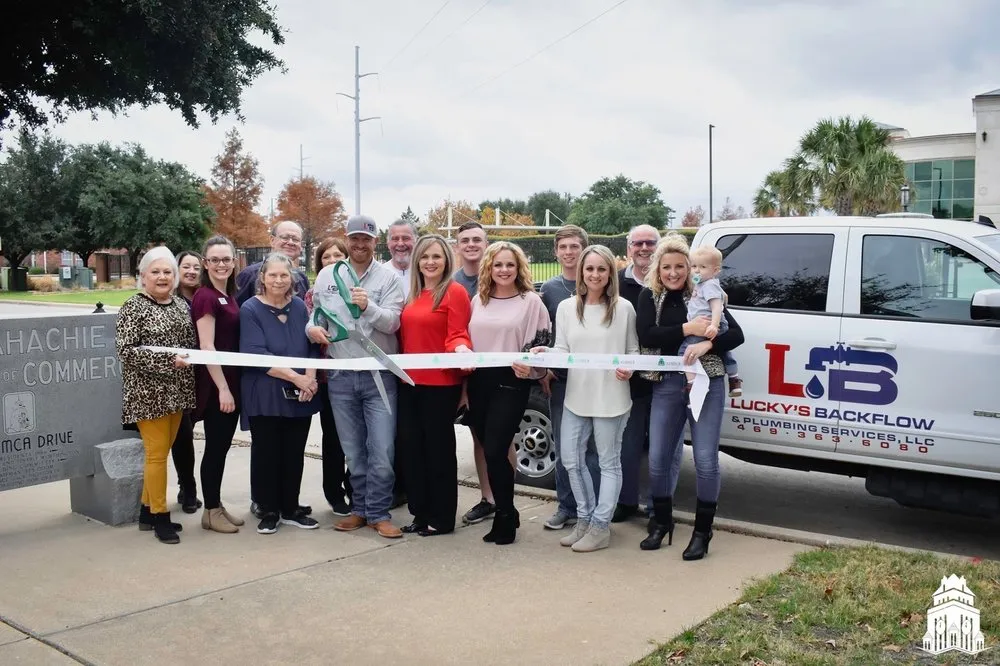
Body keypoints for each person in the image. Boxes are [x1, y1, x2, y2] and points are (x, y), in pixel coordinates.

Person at [636, 233, 744, 559]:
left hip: (706, 382)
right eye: (666, 267)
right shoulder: (648, 297)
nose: (673, 273)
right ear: (658, 268)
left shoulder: (703, 293)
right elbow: (647, 334)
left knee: (706, 460)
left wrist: (708, 342)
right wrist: (687, 331)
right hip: (667, 383)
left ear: (691, 267)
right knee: (657, 459)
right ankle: (661, 522)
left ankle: (702, 531)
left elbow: (735, 333)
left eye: (680, 266)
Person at [307, 215, 406, 539]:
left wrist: (369, 307)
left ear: (375, 242)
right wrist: (312, 329)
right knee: (353, 451)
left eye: (366, 239)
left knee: (383, 451)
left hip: (379, 376)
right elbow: (316, 314)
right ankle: (360, 510)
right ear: (347, 240)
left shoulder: (389, 278)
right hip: (340, 374)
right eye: (354, 238)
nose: (360, 244)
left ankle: (379, 512)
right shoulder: (326, 275)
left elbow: (393, 323)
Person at [533, 245, 638, 552]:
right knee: (570, 459)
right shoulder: (566, 308)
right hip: (576, 397)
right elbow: (563, 352)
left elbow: (633, 352)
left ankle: (601, 526)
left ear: (610, 273)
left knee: (608, 462)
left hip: (612, 399)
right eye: (589, 269)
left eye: (601, 269)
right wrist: (545, 353)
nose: (595, 275)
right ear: (581, 272)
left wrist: (628, 370)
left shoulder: (624, 308)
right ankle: (584, 518)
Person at [468, 242, 551, 545]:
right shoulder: (478, 300)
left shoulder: (531, 302)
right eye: (498, 265)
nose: (504, 270)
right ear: (489, 268)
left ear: (519, 268)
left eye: (510, 265)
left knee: (495, 450)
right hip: (479, 382)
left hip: (512, 382)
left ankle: (505, 516)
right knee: (484, 445)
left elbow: (542, 350)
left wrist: (532, 369)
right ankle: (507, 509)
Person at [116, 246, 196, 545]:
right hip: (148, 395)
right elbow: (127, 352)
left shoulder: (179, 305)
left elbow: (189, 344)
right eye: (156, 272)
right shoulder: (133, 307)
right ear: (143, 276)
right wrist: (167, 362)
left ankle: (147, 512)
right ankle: (161, 515)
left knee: (161, 454)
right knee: (156, 456)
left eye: (167, 272)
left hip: (178, 393)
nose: (163, 277)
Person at [239, 253, 321, 535]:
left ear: (292, 279)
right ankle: (269, 509)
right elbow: (255, 354)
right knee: (267, 453)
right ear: (262, 278)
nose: (278, 280)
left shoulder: (299, 306)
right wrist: (297, 378)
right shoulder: (250, 309)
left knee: (294, 452)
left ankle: (290, 508)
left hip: (301, 394)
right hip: (265, 393)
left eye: (284, 275)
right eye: (272, 275)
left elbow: (312, 344)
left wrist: (309, 378)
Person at [398, 234, 472, 536]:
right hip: (409, 383)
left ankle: (441, 518)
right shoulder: (413, 295)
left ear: (446, 261)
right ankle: (419, 512)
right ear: (417, 261)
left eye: (436, 257)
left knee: (438, 453)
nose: (430, 262)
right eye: (425, 257)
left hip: (441, 385)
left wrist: (463, 350)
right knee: (411, 452)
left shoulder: (454, 292)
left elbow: (457, 333)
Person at [538, 225, 601, 531]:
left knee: (591, 450)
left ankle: (594, 509)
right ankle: (566, 506)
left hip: (596, 382)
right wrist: (547, 369)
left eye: (574, 247)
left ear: (584, 249)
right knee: (566, 448)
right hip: (562, 382)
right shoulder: (549, 289)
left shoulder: (600, 284)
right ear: (556, 252)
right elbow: (548, 336)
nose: (568, 253)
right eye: (563, 247)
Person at [451, 221, 509, 526]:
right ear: (458, 247)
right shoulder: (453, 284)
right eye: (465, 240)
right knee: (480, 438)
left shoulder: (498, 277)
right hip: (469, 374)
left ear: (486, 244)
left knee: (504, 440)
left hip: (503, 376)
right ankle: (488, 498)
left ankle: (505, 500)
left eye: (477, 239)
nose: (471, 245)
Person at [191, 236, 243, 534]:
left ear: (234, 262)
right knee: (215, 448)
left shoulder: (228, 295)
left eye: (226, 259)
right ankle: (210, 510)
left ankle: (216, 505)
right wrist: (222, 388)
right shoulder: (206, 296)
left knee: (221, 447)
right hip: (217, 387)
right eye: (215, 260)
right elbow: (206, 346)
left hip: (231, 383)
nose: (221, 264)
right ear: (205, 263)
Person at [613, 224, 663, 524]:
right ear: (629, 247)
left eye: (650, 243)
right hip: (628, 380)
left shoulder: (672, 279)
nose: (644, 248)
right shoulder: (615, 284)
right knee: (627, 445)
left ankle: (659, 507)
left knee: (661, 448)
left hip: (665, 379)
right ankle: (626, 501)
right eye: (637, 243)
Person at [304, 237, 353, 516]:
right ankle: (335, 493)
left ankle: (355, 486)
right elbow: (310, 329)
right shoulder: (313, 295)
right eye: (327, 257)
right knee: (334, 437)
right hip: (328, 374)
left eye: (339, 256)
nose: (333, 261)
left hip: (357, 371)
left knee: (358, 438)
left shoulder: (357, 290)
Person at [680, 246, 742, 397]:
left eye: (703, 267)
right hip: (709, 325)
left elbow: (717, 307)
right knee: (723, 352)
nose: (697, 270)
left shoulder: (708, 285)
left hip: (708, 325)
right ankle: (734, 380)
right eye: (694, 266)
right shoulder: (705, 283)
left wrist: (714, 325)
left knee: (684, 351)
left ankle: (692, 385)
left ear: (715, 271)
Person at [171, 250, 203, 514]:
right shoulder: (169, 300)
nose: (192, 271)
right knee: (183, 434)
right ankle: (187, 486)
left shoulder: (204, 297)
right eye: (186, 266)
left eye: (196, 267)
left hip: (204, 376)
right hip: (179, 376)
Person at [235, 221, 310, 306]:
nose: (290, 242)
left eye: (295, 239)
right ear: (272, 240)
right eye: (285, 238)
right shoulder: (249, 275)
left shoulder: (302, 279)